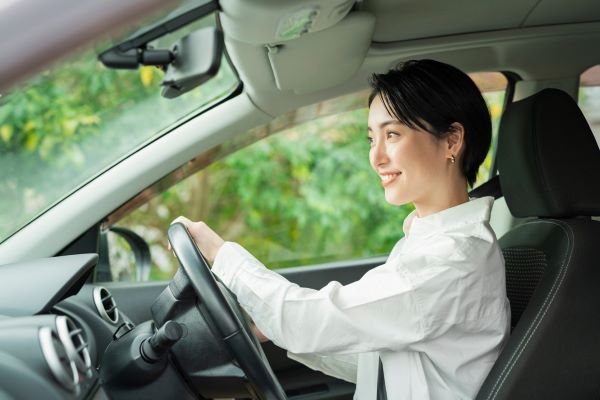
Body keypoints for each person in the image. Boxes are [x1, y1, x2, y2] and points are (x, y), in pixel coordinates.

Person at [172, 59, 511, 399]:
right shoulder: (430, 241)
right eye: (370, 138)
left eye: (392, 134)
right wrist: (273, 328)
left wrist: (220, 254)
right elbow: (387, 361)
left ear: (452, 141)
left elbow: (310, 320)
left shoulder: (452, 260)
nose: (375, 157)